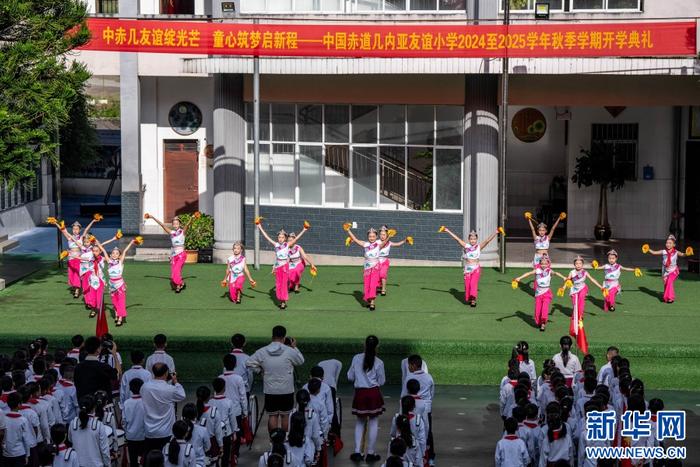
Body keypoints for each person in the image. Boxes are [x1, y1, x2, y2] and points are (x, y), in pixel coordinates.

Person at [246, 326, 304, 433]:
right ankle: (283, 441)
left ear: (272, 336)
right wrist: (294, 347)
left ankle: (273, 442)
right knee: (285, 416)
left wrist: (260, 371)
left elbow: (249, 363)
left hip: (270, 389)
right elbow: (300, 361)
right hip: (286, 389)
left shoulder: (262, 351)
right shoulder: (289, 351)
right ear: (284, 337)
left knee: (272, 416)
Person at [439, 226, 503, 307]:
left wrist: (496, 232)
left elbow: (487, 241)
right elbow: (457, 239)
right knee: (467, 285)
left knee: (473, 284)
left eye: (474, 239)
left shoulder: (479, 247)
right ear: (469, 240)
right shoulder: (466, 246)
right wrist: (447, 230)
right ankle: (469, 298)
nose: (473, 240)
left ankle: (473, 300)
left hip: (476, 268)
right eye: (471, 239)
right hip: (467, 269)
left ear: (476, 240)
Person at [347, 335, 385, 463]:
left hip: (360, 393)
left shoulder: (356, 358)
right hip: (374, 393)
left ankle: (357, 452)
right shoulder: (379, 362)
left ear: (364, 344)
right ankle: (370, 453)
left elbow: (350, 377)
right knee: (374, 422)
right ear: (377, 346)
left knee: (360, 422)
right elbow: (382, 381)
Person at [255, 219, 309, 309]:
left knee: (283, 284)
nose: (280, 239)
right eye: (279, 237)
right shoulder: (276, 245)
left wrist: (304, 229)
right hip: (278, 267)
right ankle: (280, 300)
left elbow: (296, 238)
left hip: (284, 266)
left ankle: (283, 302)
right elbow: (267, 237)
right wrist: (259, 226)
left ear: (285, 238)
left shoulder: (287, 245)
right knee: (278, 284)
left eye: (282, 237)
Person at [144, 212, 199, 293]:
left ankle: (180, 283)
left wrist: (192, 217)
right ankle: (179, 285)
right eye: (174, 224)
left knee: (176, 271)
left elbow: (188, 224)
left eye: (177, 223)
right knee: (173, 275)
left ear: (179, 224)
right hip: (174, 255)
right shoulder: (171, 232)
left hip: (181, 254)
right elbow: (162, 225)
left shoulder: (182, 232)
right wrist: (152, 217)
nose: (175, 225)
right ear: (172, 225)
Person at [49, 215, 100, 299]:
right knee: (71, 275)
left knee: (76, 274)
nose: (75, 230)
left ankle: (77, 290)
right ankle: (75, 287)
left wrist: (93, 221)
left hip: (78, 259)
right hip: (70, 258)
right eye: (73, 229)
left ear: (79, 230)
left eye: (77, 229)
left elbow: (87, 229)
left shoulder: (81, 238)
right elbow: (63, 230)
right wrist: (55, 223)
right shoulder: (69, 237)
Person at [512, 255, 567, 332]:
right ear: (539, 264)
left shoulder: (549, 271)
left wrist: (564, 277)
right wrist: (519, 278)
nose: (543, 265)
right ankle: (539, 322)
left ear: (548, 264)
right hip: (538, 293)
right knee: (537, 310)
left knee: (544, 308)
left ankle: (543, 324)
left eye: (545, 264)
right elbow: (528, 273)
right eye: (542, 264)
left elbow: (557, 273)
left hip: (546, 292)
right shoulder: (537, 270)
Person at [344, 225, 392, 311]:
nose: (372, 238)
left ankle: (372, 303)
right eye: (370, 236)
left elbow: (385, 242)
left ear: (376, 236)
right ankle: (369, 300)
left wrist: (389, 236)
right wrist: (348, 230)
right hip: (367, 268)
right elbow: (355, 239)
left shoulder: (378, 244)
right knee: (368, 285)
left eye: (373, 236)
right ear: (367, 237)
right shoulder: (365, 244)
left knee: (373, 285)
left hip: (375, 268)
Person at [140, 363, 186, 454]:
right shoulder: (169, 389)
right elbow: (182, 395)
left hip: (149, 431)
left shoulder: (144, 387)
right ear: (166, 373)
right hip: (166, 431)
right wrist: (175, 381)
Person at [96, 237, 138, 326]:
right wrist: (95, 241)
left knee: (121, 301)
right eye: (113, 253)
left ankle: (120, 318)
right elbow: (103, 250)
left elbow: (125, 251)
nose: (115, 254)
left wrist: (131, 242)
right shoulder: (109, 261)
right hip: (112, 285)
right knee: (114, 301)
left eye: (117, 253)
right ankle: (116, 314)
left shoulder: (120, 262)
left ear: (119, 255)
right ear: (110, 255)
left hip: (120, 284)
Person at [558, 256, 605, 336]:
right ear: (574, 265)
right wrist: (563, 288)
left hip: (582, 288)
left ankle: (580, 316)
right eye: (576, 263)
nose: (578, 265)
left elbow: (592, 280)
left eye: (580, 263)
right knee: (575, 304)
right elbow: (568, 281)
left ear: (582, 264)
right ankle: (577, 314)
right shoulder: (572, 272)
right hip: (574, 290)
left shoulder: (585, 272)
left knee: (581, 302)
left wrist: (601, 287)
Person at [643, 235, 694, 303]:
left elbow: (683, 254)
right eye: (667, 243)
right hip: (665, 271)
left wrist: (688, 253)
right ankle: (666, 298)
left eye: (670, 243)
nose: (668, 244)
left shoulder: (676, 252)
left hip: (673, 270)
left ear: (674, 245)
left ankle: (670, 298)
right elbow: (654, 252)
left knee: (669, 281)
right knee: (666, 284)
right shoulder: (663, 251)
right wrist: (648, 249)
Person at [68, 395, 111, 467]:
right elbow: (105, 450)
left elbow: (70, 440)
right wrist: (108, 464)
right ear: (94, 408)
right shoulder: (98, 425)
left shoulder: (73, 423)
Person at [73, 337, 118, 401]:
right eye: (100, 347)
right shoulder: (103, 367)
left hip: (83, 405)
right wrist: (114, 354)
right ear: (98, 350)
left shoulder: (77, 367)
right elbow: (117, 375)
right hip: (100, 407)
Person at [208, 378, 237, 467]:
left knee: (215, 456)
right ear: (224, 388)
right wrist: (234, 431)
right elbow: (232, 419)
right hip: (226, 433)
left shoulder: (210, 402)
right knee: (226, 456)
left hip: (213, 434)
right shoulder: (228, 402)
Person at [390, 397, 426, 467]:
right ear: (414, 406)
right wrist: (423, 455)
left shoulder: (396, 418)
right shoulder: (418, 420)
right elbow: (422, 440)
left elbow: (392, 434)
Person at [376, 226, 411, 297]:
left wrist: (405, 240)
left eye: (384, 235)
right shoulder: (377, 242)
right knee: (377, 275)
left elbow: (397, 244)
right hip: (376, 261)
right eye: (381, 234)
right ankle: (379, 286)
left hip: (385, 261)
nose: (382, 236)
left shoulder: (389, 242)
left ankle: (383, 289)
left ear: (387, 235)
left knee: (383, 274)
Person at [2, 392, 33, 467]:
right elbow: (26, 439)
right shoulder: (23, 420)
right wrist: (27, 455)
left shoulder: (3, 418)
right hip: (20, 453)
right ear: (19, 404)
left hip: (6, 453)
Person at [123, 378, 146, 467]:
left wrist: (127, 432)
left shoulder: (126, 403)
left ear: (130, 389)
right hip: (143, 435)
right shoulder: (145, 402)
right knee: (143, 461)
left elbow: (124, 421)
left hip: (131, 436)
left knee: (133, 461)